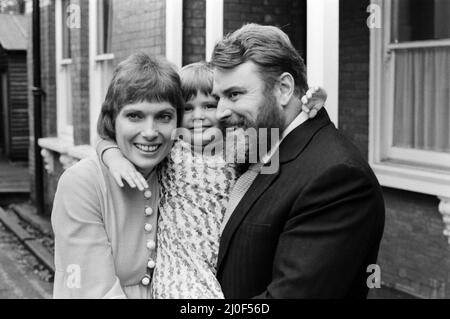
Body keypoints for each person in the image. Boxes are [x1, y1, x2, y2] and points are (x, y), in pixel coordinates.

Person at [97, 61, 327, 298]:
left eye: (209, 106)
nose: (198, 116)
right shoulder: (171, 148)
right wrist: (115, 159)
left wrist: (307, 107)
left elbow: (282, 138)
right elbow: (106, 138)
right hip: (182, 264)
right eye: (187, 108)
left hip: (226, 260)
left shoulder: (237, 146)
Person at [208, 23, 385, 299]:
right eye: (218, 98)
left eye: (234, 95)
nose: (219, 112)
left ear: (284, 88)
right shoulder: (257, 147)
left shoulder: (338, 177)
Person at [51, 53, 184, 298]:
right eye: (135, 115)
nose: (150, 132)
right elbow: (92, 290)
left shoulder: (177, 172)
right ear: (113, 120)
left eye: (164, 116)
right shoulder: (82, 183)